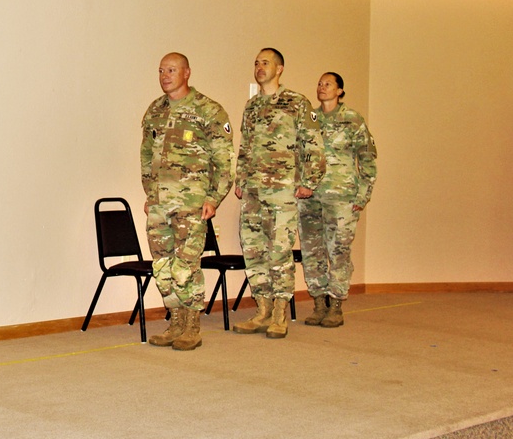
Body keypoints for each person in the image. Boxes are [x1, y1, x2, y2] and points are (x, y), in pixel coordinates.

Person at [141, 52, 234, 350]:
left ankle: (192, 326)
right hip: (159, 204)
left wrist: (214, 197)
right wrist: (149, 192)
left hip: (192, 204)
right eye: (160, 70)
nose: (165, 75)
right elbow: (146, 157)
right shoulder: (155, 110)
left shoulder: (209, 110)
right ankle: (175, 321)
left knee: (186, 264)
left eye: (171, 70)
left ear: (187, 73)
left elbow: (224, 160)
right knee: (163, 266)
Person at [233, 48, 325, 339]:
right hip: (253, 193)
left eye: (266, 63)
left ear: (280, 68)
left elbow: (313, 144)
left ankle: (279, 314)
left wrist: (309, 180)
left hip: (282, 191)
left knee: (279, 252)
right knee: (253, 250)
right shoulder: (251, 106)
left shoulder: (297, 102)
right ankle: (261, 309)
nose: (260, 68)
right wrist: (240, 179)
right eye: (257, 63)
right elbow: (245, 146)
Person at [298, 72, 377, 328]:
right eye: (319, 84)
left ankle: (336, 304)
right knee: (312, 251)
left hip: (341, 197)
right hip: (310, 196)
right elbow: (300, 154)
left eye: (328, 84)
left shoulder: (352, 120)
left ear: (340, 91)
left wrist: (363, 194)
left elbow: (367, 157)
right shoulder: (310, 119)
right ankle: (319, 303)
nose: (322, 87)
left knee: (338, 251)